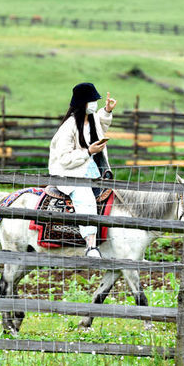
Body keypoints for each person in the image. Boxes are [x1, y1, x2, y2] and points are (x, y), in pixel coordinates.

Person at [49, 83, 116, 259]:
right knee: (85, 198)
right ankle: (90, 245)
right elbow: (64, 158)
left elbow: (101, 124)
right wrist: (88, 152)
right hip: (71, 173)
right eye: (92, 101)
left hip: (93, 169)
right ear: (82, 103)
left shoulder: (92, 118)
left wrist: (107, 111)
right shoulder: (68, 127)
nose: (94, 104)